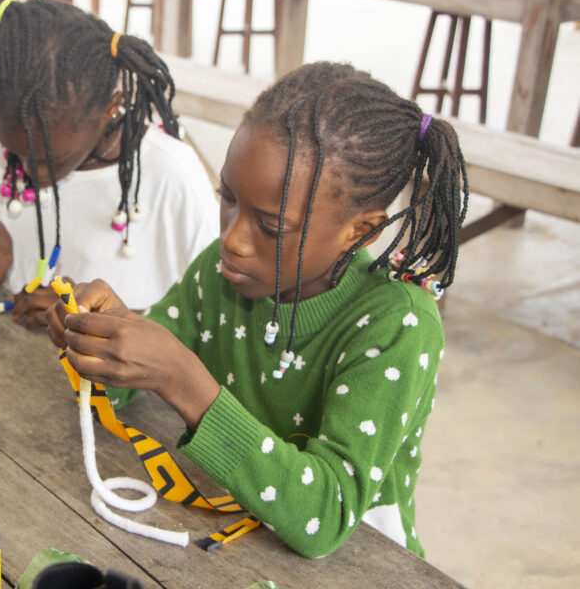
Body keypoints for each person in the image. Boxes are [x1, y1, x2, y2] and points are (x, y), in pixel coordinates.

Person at [47, 62, 468, 558]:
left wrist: (182, 379)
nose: (233, 239)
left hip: (363, 561)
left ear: (361, 231)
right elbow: (127, 382)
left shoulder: (397, 324)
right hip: (229, 533)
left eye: (270, 224)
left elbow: (324, 518)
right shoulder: (225, 272)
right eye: (228, 198)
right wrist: (98, 337)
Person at [0, 0, 218, 327]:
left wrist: (101, 318)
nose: (30, 171)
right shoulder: (23, 135)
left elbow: (215, 318)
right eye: (17, 153)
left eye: (51, 160)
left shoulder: (171, 174)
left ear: (110, 107)